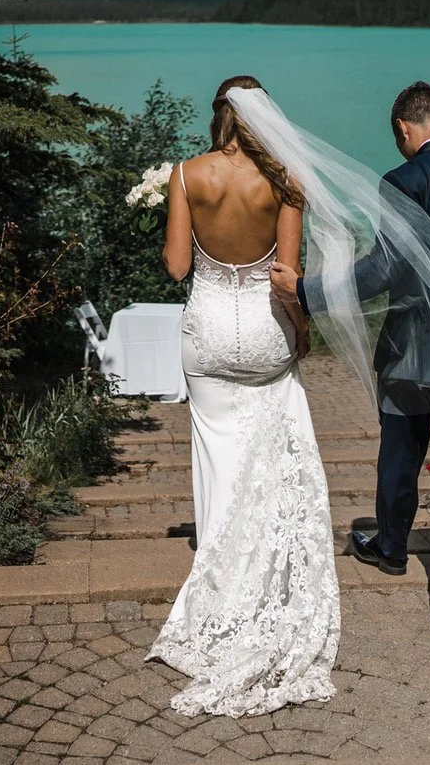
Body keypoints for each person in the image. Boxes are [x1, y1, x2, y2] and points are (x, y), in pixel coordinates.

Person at [269, 81, 430, 637]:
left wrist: (306, 291)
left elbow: (384, 270)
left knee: (401, 452)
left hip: (411, 347)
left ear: (404, 129)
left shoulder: (404, 180)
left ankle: (390, 548)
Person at [146, 75, 340, 717]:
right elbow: (286, 277)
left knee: (216, 457)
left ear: (219, 116)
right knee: (272, 456)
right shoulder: (285, 182)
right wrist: (302, 331)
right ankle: (265, 574)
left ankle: (219, 573)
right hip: (263, 332)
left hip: (205, 333)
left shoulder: (187, 173)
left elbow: (177, 266)